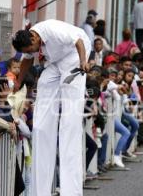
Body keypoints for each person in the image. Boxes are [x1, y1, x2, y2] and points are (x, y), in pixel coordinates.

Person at [12, 19, 91, 196]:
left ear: (34, 39)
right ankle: (40, 192)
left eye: (30, 49)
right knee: (40, 125)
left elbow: (78, 41)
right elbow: (26, 62)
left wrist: (83, 61)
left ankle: (71, 191)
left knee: (69, 123)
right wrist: (18, 82)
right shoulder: (29, 40)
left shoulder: (53, 30)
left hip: (74, 54)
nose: (30, 53)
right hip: (54, 61)